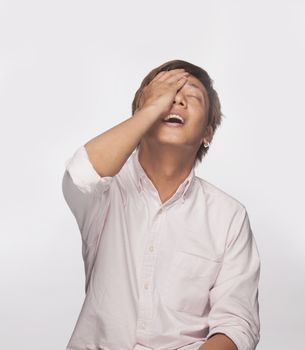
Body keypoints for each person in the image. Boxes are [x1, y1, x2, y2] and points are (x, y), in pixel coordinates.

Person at [62, 59, 261, 350]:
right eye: (164, 93)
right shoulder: (105, 192)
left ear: (208, 134)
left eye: (190, 96)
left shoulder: (229, 216)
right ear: (139, 116)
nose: (176, 99)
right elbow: (79, 176)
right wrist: (152, 109)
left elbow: (237, 324)